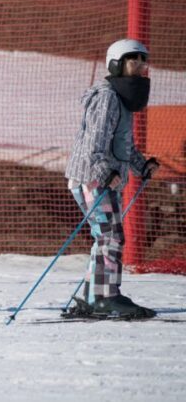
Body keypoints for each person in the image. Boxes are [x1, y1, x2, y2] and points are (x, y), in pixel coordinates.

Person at [64, 38, 159, 319]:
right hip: (93, 178)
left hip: (105, 178)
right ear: (116, 64)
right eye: (134, 60)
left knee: (105, 237)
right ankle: (106, 297)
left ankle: (93, 296)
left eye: (144, 61)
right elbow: (95, 142)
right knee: (111, 236)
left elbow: (122, 145)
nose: (141, 66)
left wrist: (141, 166)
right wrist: (105, 172)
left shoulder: (122, 97)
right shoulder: (106, 97)